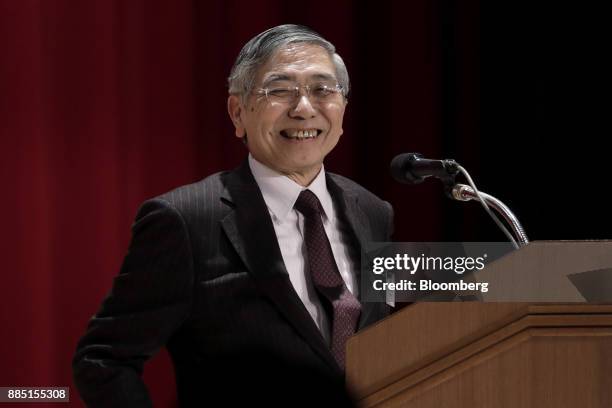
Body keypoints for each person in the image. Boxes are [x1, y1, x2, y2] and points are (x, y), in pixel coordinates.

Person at [73, 24, 394, 407]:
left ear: (343, 110)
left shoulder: (372, 211)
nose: (304, 107)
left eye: (323, 89)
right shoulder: (186, 219)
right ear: (237, 111)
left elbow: (385, 334)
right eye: (280, 90)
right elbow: (103, 359)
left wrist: (484, 283)